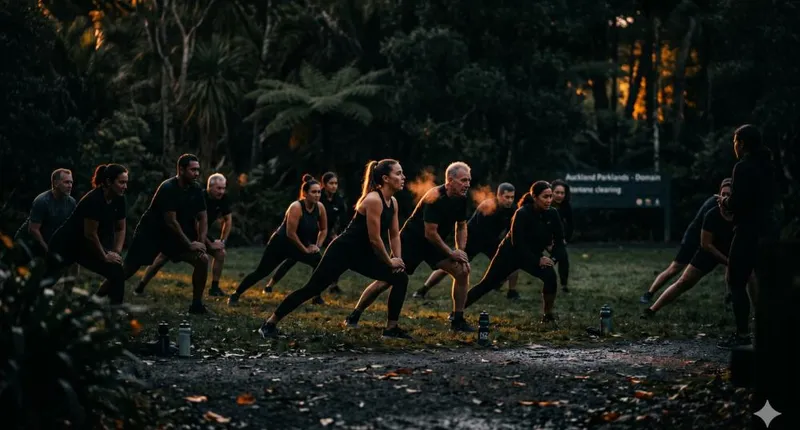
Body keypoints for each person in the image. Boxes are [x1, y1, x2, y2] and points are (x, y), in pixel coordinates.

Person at [258, 159, 411, 339]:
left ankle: (391, 329)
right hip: (342, 251)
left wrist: (398, 260)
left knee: (400, 277)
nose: (403, 177)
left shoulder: (392, 201)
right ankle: (269, 324)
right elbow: (375, 239)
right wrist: (388, 261)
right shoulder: (373, 200)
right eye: (398, 173)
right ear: (385, 178)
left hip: (362, 255)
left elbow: (394, 234)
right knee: (312, 289)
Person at [344, 162, 474, 332]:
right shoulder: (435, 196)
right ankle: (354, 314)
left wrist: (461, 252)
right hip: (413, 242)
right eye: (463, 180)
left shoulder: (461, 198)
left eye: (469, 180)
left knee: (462, 271)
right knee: (386, 281)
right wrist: (451, 253)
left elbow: (462, 226)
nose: (467, 184)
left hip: (433, 244)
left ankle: (457, 320)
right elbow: (430, 233)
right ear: (450, 180)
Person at [640, 178, 758, 318]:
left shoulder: (743, 215)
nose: (724, 198)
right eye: (723, 194)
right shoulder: (712, 213)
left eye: (729, 195)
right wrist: (728, 262)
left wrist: (734, 261)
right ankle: (652, 310)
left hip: (731, 249)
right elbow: (706, 244)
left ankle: (759, 314)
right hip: (710, 250)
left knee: (751, 275)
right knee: (683, 281)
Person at [116, 154, 210, 313]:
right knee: (127, 270)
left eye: (198, 170)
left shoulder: (196, 189)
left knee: (202, 259)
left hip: (172, 238)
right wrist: (189, 244)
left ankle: (196, 305)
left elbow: (203, 217)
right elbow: (171, 222)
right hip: (151, 234)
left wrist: (200, 243)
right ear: (181, 169)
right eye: (193, 170)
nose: (197, 173)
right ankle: (95, 299)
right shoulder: (168, 188)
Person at [461, 181, 565, 324]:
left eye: (550, 197)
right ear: (534, 197)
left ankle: (547, 315)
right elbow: (518, 243)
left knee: (550, 277)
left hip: (532, 254)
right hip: (510, 254)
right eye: (545, 197)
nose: (548, 200)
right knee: (487, 284)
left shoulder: (552, 214)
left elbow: (560, 242)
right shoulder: (521, 213)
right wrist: (537, 260)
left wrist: (552, 259)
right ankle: (457, 313)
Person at [716, 124, 779, 349]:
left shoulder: (742, 167)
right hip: (769, 229)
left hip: (747, 231)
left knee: (736, 281)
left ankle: (742, 334)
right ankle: (771, 333)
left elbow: (738, 202)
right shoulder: (769, 165)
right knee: (767, 283)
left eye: (735, 142)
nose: (734, 146)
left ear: (741, 144)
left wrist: (724, 201)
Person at [227, 174, 328, 305]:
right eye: (313, 192)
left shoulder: (320, 207)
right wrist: (305, 250)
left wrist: (316, 246)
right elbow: (290, 233)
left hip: (301, 244)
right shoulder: (296, 207)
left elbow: (324, 229)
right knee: (262, 272)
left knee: (319, 263)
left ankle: (315, 295)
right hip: (281, 243)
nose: (317, 195)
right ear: (305, 193)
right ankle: (236, 294)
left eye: (319, 192)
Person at [412, 183, 520, 300]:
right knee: (452, 265)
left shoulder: (513, 210)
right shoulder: (488, 206)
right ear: (499, 195)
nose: (509, 200)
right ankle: (422, 290)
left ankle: (511, 292)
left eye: (512, 197)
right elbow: (481, 230)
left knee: (512, 260)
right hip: (472, 239)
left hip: (491, 241)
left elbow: (511, 230)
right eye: (506, 197)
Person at [133, 173, 233, 297]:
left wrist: (222, 241)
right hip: (184, 232)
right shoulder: (199, 196)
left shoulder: (223, 199)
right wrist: (210, 244)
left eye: (224, 188)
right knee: (161, 259)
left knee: (220, 253)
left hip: (201, 234)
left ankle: (214, 288)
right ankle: (140, 287)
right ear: (209, 187)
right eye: (219, 188)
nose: (222, 191)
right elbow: (196, 223)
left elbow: (228, 220)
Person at [46, 164, 128, 303]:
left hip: (86, 246)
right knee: (46, 281)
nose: (125, 186)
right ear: (108, 182)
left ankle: (114, 316)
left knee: (117, 272)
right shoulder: (94, 200)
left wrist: (116, 252)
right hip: (65, 244)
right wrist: (104, 256)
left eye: (126, 182)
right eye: (121, 182)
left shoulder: (120, 199)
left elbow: (120, 228)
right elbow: (90, 233)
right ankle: (22, 310)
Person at [263, 171, 347, 295]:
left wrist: (335, 234)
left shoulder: (338, 200)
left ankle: (331, 286)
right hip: (310, 233)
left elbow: (340, 219)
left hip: (326, 233)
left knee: (334, 257)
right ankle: (270, 284)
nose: (334, 186)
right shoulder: (317, 196)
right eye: (331, 183)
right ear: (324, 184)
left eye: (336, 183)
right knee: (291, 260)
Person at [639, 187, 722, 304]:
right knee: (675, 268)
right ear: (719, 193)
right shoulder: (712, 205)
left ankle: (730, 296)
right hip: (694, 239)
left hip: (709, 241)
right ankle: (649, 293)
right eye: (724, 194)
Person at [15, 168, 76, 255]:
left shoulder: (71, 203)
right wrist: (47, 250)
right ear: (56, 183)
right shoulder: (42, 200)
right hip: (27, 243)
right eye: (66, 182)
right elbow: (33, 229)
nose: (70, 185)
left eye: (71, 182)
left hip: (46, 242)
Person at [550, 179, 572, 293]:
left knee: (563, 257)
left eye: (562, 193)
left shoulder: (566, 206)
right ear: (551, 192)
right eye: (557, 192)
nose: (559, 195)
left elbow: (571, 224)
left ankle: (564, 284)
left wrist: (565, 239)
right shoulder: (545, 203)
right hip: (541, 235)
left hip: (557, 237)